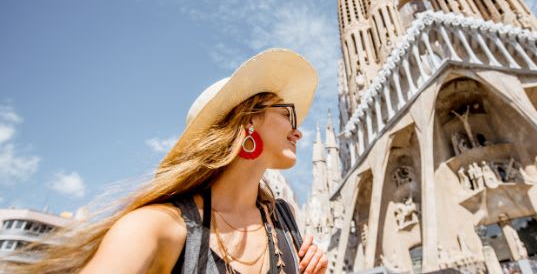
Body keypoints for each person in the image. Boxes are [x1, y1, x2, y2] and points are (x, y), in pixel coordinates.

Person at [11, 48, 328, 274]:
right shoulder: (157, 228)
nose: (297, 131)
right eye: (287, 114)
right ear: (248, 122)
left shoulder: (283, 223)